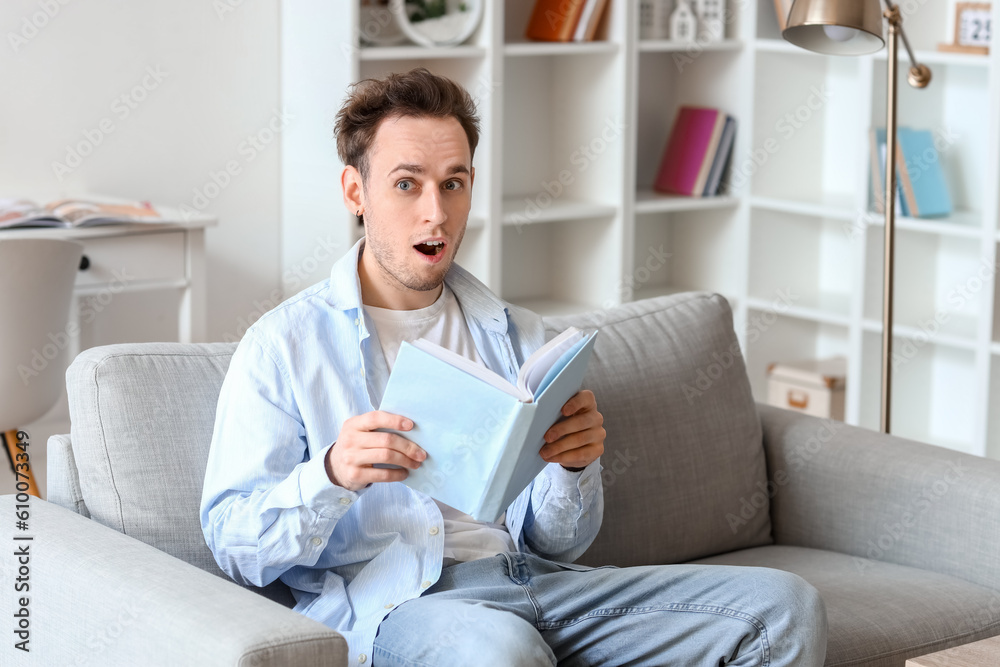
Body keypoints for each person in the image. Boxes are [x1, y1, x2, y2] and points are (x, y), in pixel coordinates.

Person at [200, 67, 827, 666]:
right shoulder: (283, 345)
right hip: (405, 608)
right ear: (355, 191)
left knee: (782, 607)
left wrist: (574, 468)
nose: (435, 213)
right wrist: (332, 473)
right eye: (406, 183)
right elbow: (234, 546)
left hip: (538, 585)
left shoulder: (520, 335)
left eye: (454, 182)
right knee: (500, 651)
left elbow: (559, 543)